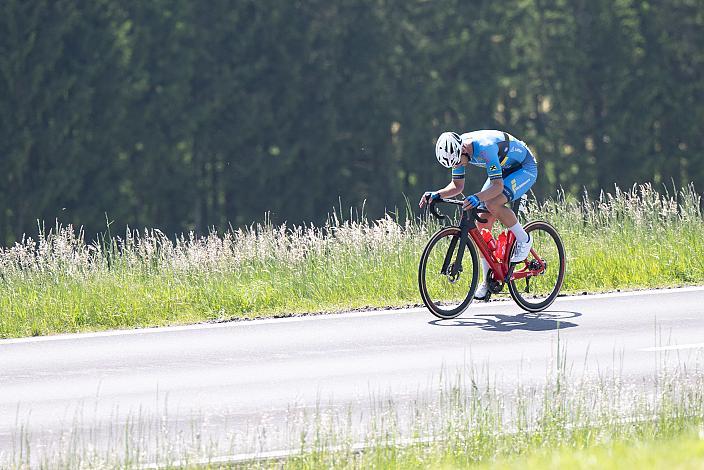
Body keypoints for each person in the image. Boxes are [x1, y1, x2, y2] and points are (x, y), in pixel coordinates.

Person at [419, 130, 538, 300]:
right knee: (482, 222)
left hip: (524, 168)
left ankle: (524, 239)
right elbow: (457, 185)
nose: (458, 164)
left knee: (491, 203)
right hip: (503, 168)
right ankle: (487, 281)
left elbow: (497, 187)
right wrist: (438, 194)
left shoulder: (485, 148)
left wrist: (476, 197)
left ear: (463, 150)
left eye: (458, 161)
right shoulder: (457, 152)